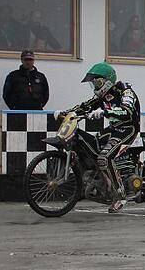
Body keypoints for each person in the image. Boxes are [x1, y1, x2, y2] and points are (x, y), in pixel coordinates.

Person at [57, 63, 139, 213]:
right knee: (91, 148)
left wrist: (105, 113)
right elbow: (86, 106)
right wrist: (67, 112)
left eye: (97, 82)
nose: (95, 86)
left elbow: (126, 111)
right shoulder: (102, 96)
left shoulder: (125, 91)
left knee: (104, 157)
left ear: (107, 80)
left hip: (128, 129)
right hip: (113, 129)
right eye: (93, 83)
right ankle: (104, 183)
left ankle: (120, 196)